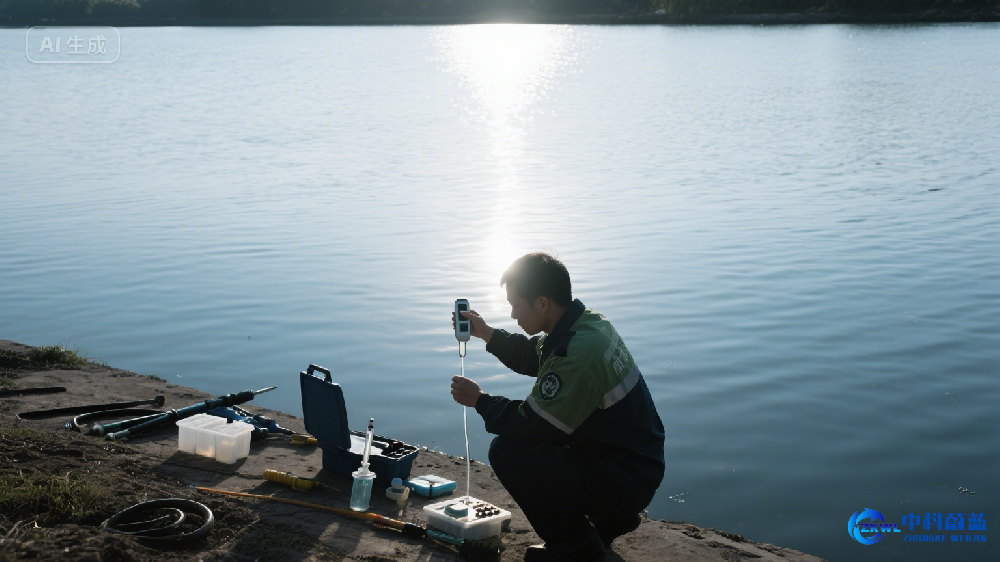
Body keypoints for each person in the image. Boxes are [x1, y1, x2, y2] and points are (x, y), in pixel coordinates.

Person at [451, 253, 665, 562]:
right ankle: (610, 521)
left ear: (541, 303)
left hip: (624, 480)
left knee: (507, 452)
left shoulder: (575, 353)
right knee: (554, 436)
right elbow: (532, 356)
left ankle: (582, 550)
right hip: (634, 465)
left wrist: (480, 400)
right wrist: (485, 332)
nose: (512, 314)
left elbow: (531, 426)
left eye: (515, 305)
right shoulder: (585, 324)